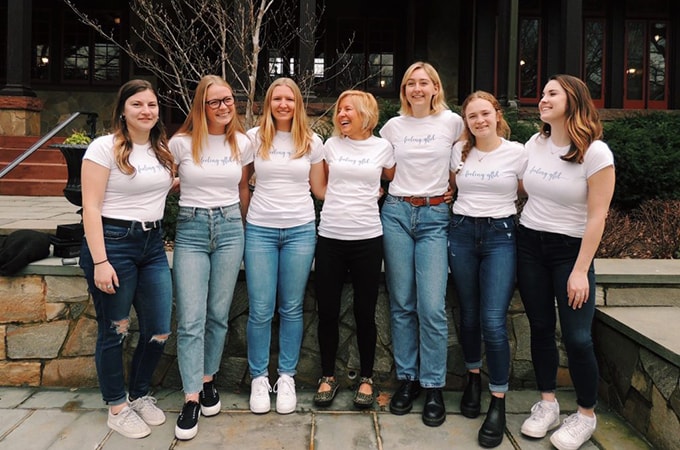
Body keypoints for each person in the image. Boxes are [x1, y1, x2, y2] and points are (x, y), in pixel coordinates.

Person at [517, 74, 615, 450]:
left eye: (552, 93)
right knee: (540, 327)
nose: (543, 98)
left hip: (569, 252)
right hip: (529, 244)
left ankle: (586, 415)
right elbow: (523, 184)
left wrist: (579, 270)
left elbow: (597, 216)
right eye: (542, 93)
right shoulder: (536, 142)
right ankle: (547, 405)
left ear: (573, 99)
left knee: (577, 337)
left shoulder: (595, 152)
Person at [79, 79, 175, 439]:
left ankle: (139, 394)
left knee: (159, 327)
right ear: (123, 109)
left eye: (151, 104)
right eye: (137, 104)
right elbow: (90, 206)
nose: (146, 111)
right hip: (114, 243)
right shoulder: (104, 148)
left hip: (152, 244)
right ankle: (117, 406)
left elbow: (159, 188)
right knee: (115, 328)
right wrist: (101, 261)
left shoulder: (159, 148)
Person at [169, 75, 254, 440]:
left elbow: (243, 187)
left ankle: (207, 381)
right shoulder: (181, 144)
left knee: (218, 313)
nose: (224, 106)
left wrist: (246, 228)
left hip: (231, 226)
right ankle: (190, 398)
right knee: (191, 317)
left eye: (228, 99)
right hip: (191, 229)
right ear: (201, 105)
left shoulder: (243, 142)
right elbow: (162, 182)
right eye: (216, 101)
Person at [380, 61, 464, 427]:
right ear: (404, 90)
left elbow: (466, 160)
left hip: (434, 217)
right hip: (397, 213)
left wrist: (453, 188)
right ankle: (408, 379)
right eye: (411, 83)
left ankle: (433, 386)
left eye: (424, 82)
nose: (417, 88)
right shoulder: (392, 127)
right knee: (402, 303)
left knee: (431, 306)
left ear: (435, 88)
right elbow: (382, 168)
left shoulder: (453, 122)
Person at [447, 91, 527, 447]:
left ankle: (498, 400)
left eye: (484, 114)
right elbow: (453, 188)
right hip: (462, 233)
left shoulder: (517, 152)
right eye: (472, 117)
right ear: (466, 121)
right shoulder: (459, 152)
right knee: (467, 315)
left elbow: (527, 191)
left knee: (493, 320)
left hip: (500, 236)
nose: (479, 121)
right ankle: (473, 378)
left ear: (497, 114)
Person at [244, 77, 326, 415]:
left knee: (291, 307)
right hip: (260, 231)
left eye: (289, 99)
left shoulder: (311, 141)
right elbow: (241, 185)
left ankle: (287, 377)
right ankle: (259, 378)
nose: (283, 105)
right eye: (277, 98)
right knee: (261, 309)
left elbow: (320, 190)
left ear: (298, 104)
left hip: (300, 230)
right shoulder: (253, 138)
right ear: (268, 103)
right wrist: (251, 218)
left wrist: (369, 191)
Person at [312, 90, 395, 409]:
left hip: (368, 239)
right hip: (331, 237)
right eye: (339, 110)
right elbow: (320, 189)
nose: (341, 114)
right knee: (328, 311)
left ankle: (366, 379)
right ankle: (327, 376)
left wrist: (380, 192)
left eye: (349, 109)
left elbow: (394, 180)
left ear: (366, 114)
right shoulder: (330, 146)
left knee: (365, 312)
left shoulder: (383, 147)